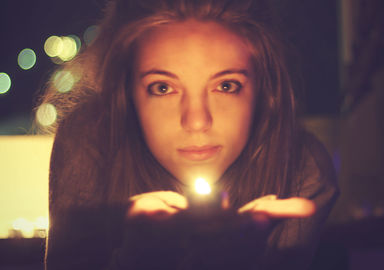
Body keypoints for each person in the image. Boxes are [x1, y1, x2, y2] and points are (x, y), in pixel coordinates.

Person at [39, 0, 339, 269]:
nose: (196, 121)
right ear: (127, 93)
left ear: (263, 91)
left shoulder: (299, 169)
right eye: (162, 88)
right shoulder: (89, 146)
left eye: (226, 86)